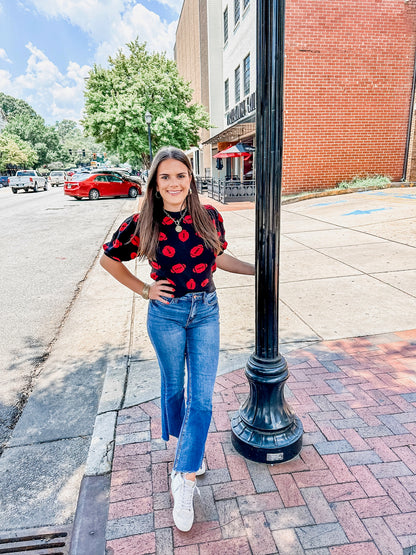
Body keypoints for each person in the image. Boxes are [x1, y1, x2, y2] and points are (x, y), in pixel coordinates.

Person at [100, 146, 255, 532]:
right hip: (166, 315)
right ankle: (189, 446)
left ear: (191, 179)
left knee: (201, 398)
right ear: (154, 183)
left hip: (206, 311)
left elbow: (218, 258)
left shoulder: (209, 216)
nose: (174, 183)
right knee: (174, 388)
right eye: (165, 176)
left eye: (180, 175)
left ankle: (183, 475)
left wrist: (260, 270)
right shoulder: (142, 223)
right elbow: (108, 259)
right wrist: (143, 289)